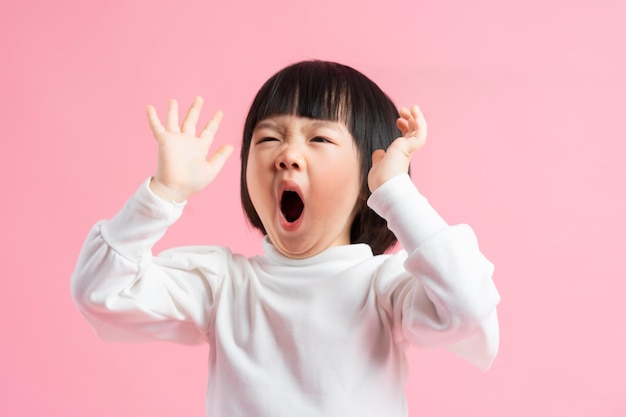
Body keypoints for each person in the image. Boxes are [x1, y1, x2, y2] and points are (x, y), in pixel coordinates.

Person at [71, 60, 500, 417]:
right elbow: (99, 290)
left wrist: (397, 193)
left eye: (319, 138)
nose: (287, 156)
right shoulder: (224, 285)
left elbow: (469, 308)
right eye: (270, 138)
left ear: (369, 176)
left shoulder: (383, 287)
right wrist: (162, 194)